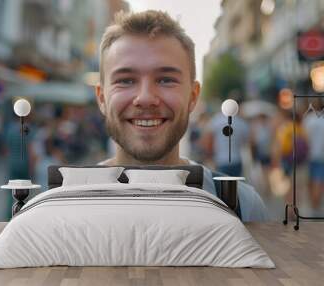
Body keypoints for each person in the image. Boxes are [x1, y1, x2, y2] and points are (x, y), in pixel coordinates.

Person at [94, 10, 267, 221]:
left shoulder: (242, 206)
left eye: (166, 80)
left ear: (193, 96)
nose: (146, 98)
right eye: (126, 80)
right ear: (102, 98)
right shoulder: (59, 204)